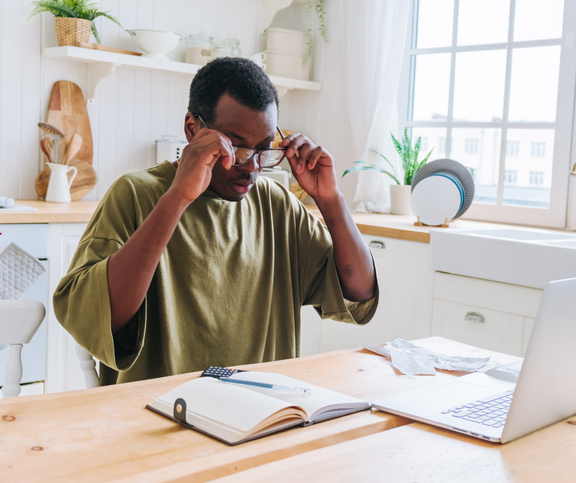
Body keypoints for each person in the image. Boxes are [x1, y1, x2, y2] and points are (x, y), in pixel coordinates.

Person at [53, 58, 378, 385]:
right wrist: (178, 196)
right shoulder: (136, 194)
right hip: (158, 416)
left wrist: (330, 200)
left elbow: (359, 292)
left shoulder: (274, 203)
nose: (251, 167)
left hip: (261, 413)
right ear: (193, 129)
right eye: (236, 147)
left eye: (264, 149)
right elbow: (98, 316)